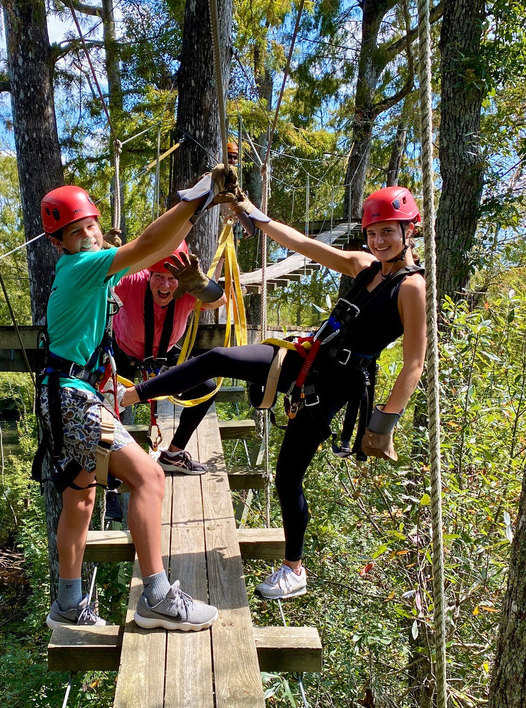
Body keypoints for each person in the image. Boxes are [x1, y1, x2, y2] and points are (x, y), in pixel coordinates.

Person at [120, 186, 427, 600]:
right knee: (219, 358)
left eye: (388, 232)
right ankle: (128, 397)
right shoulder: (364, 266)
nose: (379, 241)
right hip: (307, 357)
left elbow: (414, 363)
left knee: (287, 477)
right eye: (374, 233)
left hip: (334, 385)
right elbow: (302, 243)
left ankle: (294, 569)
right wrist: (252, 212)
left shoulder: (411, 288)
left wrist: (383, 423)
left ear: (409, 231)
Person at [36, 174, 232, 631]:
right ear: (60, 243)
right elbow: (148, 242)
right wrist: (197, 199)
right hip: (72, 400)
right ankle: (158, 597)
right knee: (149, 479)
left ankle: (67, 603)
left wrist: (191, 215)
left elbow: (156, 249)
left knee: (80, 499)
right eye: (75, 232)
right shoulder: (84, 267)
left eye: (91, 226)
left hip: (62, 395)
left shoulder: (85, 270)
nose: (87, 236)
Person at [110, 240, 227, 475]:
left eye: (171, 279)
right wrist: (111, 256)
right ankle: (112, 470)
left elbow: (219, 301)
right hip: (124, 352)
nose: (165, 285)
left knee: (205, 387)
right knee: (109, 409)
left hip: (166, 353)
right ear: (148, 274)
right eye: (158, 277)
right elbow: (100, 278)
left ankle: (173, 454)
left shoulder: (187, 289)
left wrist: (200, 283)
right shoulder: (132, 281)